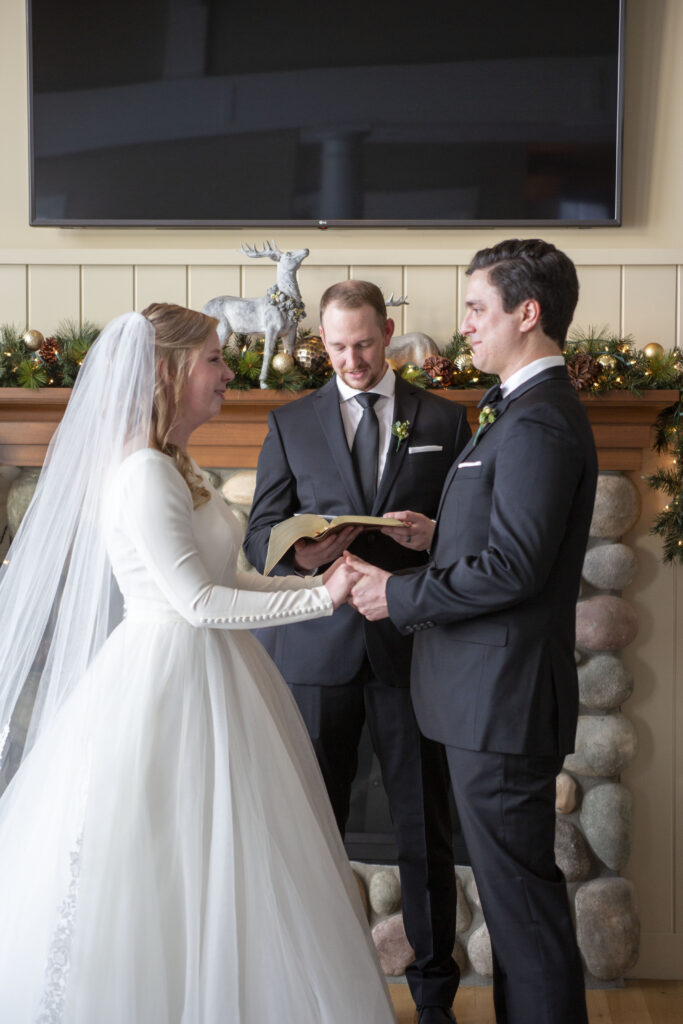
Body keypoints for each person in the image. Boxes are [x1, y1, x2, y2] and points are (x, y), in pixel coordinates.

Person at [0, 303, 398, 1023]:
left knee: (236, 862)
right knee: (169, 861)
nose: (228, 372)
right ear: (168, 372)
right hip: (169, 680)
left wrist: (323, 585)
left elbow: (234, 579)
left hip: (219, 674)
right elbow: (197, 604)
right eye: (213, 359)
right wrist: (321, 601)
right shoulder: (143, 475)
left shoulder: (178, 467)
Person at [347, 240, 597, 1024]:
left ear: (528, 314)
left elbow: (518, 568)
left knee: (521, 911)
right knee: (516, 899)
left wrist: (403, 593)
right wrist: (439, 533)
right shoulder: (519, 410)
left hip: (501, 705)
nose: (465, 325)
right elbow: (508, 540)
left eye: (477, 309)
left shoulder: (539, 421)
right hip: (485, 701)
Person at [243, 281, 471, 1024]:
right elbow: (259, 536)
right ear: (322, 342)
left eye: (365, 344)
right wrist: (306, 555)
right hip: (315, 651)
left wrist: (428, 536)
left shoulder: (444, 419)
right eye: (337, 347)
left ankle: (435, 998)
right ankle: (309, 991)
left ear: (388, 331)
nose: (352, 360)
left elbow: (469, 533)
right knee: (310, 828)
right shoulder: (289, 421)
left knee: (424, 829)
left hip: (411, 648)